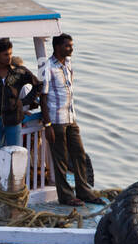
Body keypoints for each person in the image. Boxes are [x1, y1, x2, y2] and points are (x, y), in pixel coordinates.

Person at [42, 34, 106, 207]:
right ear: (57, 47)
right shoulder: (48, 67)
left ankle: (84, 191)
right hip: (56, 120)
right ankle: (66, 196)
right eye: (68, 46)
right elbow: (43, 97)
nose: (71, 49)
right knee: (61, 158)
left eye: (71, 45)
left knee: (79, 154)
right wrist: (47, 125)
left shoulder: (68, 64)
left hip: (71, 117)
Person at [0, 37, 41, 200]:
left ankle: (14, 195)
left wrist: (24, 101)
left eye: (10, 54)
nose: (9, 57)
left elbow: (37, 85)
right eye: (5, 55)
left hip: (14, 120)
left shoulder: (20, 72)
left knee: (15, 158)